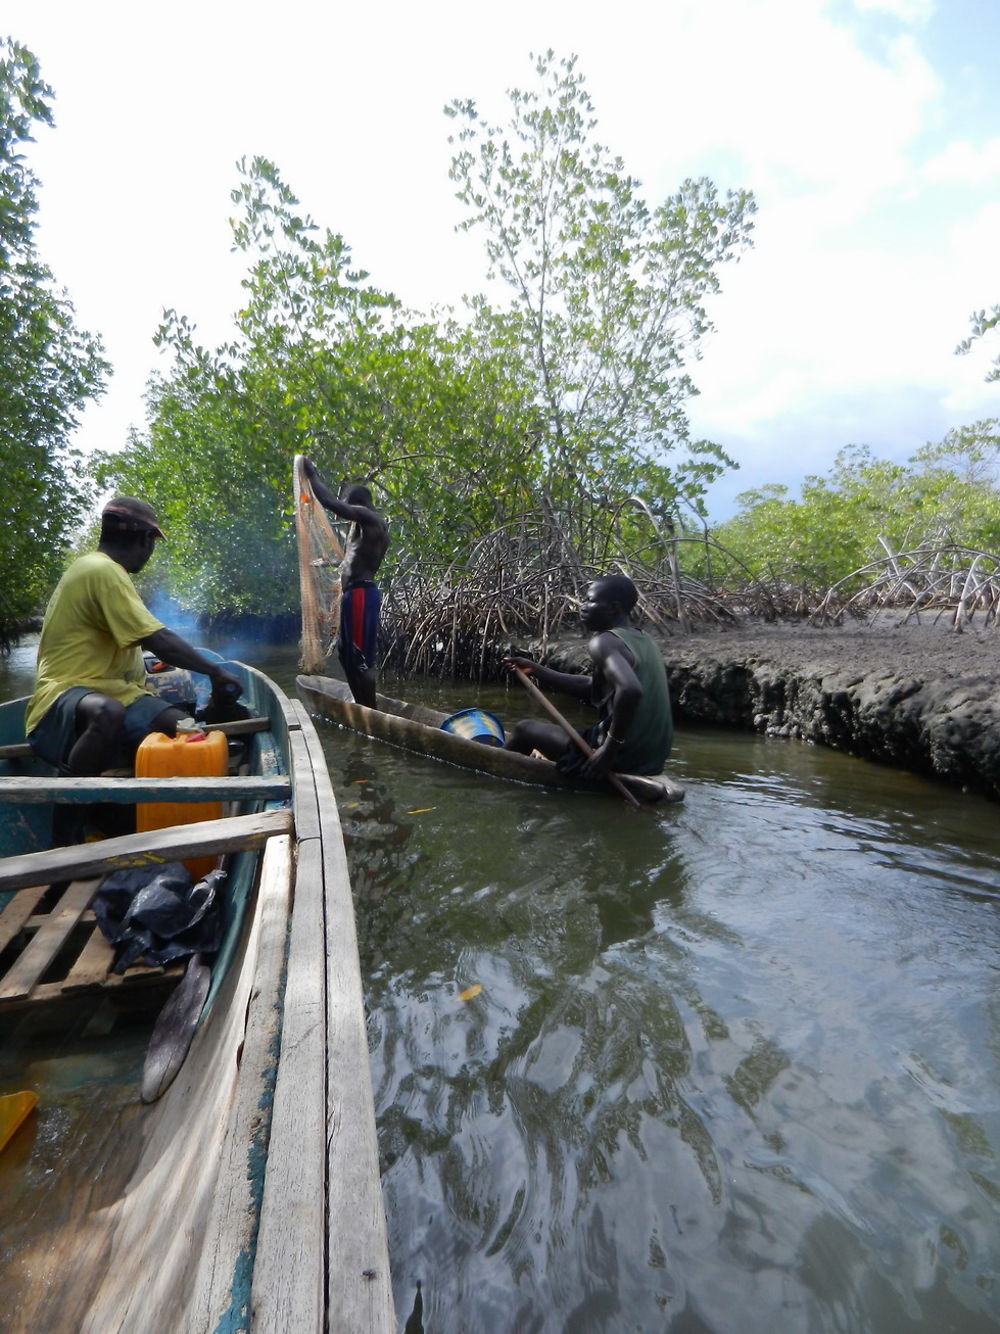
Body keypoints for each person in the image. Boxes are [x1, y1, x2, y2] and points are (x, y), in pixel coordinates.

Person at [26, 496, 243, 777]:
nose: (149, 551)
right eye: (152, 542)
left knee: (185, 728)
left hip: (118, 691)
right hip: (63, 698)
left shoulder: (96, 568)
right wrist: (215, 670)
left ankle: (121, 802)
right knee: (109, 712)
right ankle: (72, 808)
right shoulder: (102, 570)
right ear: (144, 540)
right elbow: (158, 641)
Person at [503, 574, 673, 780]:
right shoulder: (644, 639)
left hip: (622, 756)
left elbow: (630, 690)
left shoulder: (604, 642)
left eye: (590, 601)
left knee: (524, 730)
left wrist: (608, 751)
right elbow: (595, 686)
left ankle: (494, 777)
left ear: (613, 608)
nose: (582, 607)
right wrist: (538, 671)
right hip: (652, 759)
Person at [302, 458, 389, 709]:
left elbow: (331, 503)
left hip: (362, 594)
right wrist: (327, 565)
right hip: (355, 595)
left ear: (357, 504)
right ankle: (360, 703)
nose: (349, 514)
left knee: (361, 658)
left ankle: (369, 711)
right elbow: (356, 560)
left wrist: (312, 473)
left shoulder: (369, 517)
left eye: (350, 507)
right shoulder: (367, 527)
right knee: (345, 653)